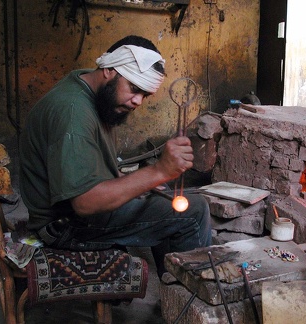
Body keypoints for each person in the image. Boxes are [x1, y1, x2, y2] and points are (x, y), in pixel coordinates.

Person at [19, 35, 212, 278]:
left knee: (166, 200)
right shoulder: (73, 113)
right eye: (134, 89)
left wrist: (144, 182)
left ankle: (170, 283)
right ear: (109, 70)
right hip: (64, 226)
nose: (137, 102)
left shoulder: (86, 85)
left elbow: (88, 166)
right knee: (194, 212)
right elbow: (84, 202)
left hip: (70, 216)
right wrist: (158, 171)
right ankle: (187, 302)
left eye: (145, 95)